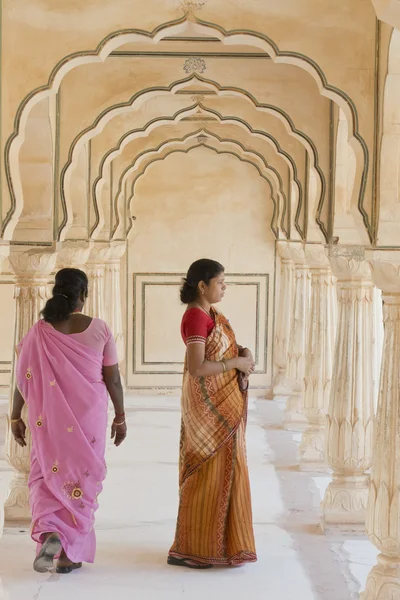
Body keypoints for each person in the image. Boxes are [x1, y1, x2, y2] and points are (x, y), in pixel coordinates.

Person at [10, 268, 126, 574]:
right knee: (82, 480)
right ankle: (69, 554)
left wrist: (14, 415)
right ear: (83, 296)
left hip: (49, 423)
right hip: (88, 422)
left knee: (48, 475)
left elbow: (24, 377)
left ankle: (51, 533)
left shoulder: (40, 330)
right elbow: (112, 378)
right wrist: (121, 416)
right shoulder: (99, 328)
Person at [168, 258, 257, 569]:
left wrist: (241, 353)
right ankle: (187, 549)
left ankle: (216, 546)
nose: (224, 287)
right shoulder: (195, 317)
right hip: (207, 410)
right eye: (220, 282)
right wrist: (235, 364)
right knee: (206, 476)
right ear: (202, 286)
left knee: (225, 474)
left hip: (222, 407)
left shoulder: (211, 315)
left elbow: (223, 350)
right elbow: (197, 368)